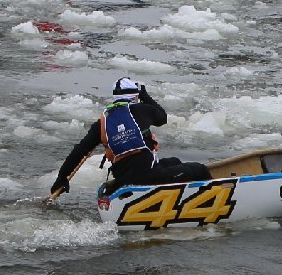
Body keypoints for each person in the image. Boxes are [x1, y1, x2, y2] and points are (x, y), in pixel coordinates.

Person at [48, 77, 211, 200]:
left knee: (174, 161)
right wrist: (146, 97)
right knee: (200, 170)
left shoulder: (102, 122)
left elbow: (79, 152)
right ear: (135, 97)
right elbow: (162, 118)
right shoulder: (143, 109)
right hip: (148, 177)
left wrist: (62, 177)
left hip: (124, 177)